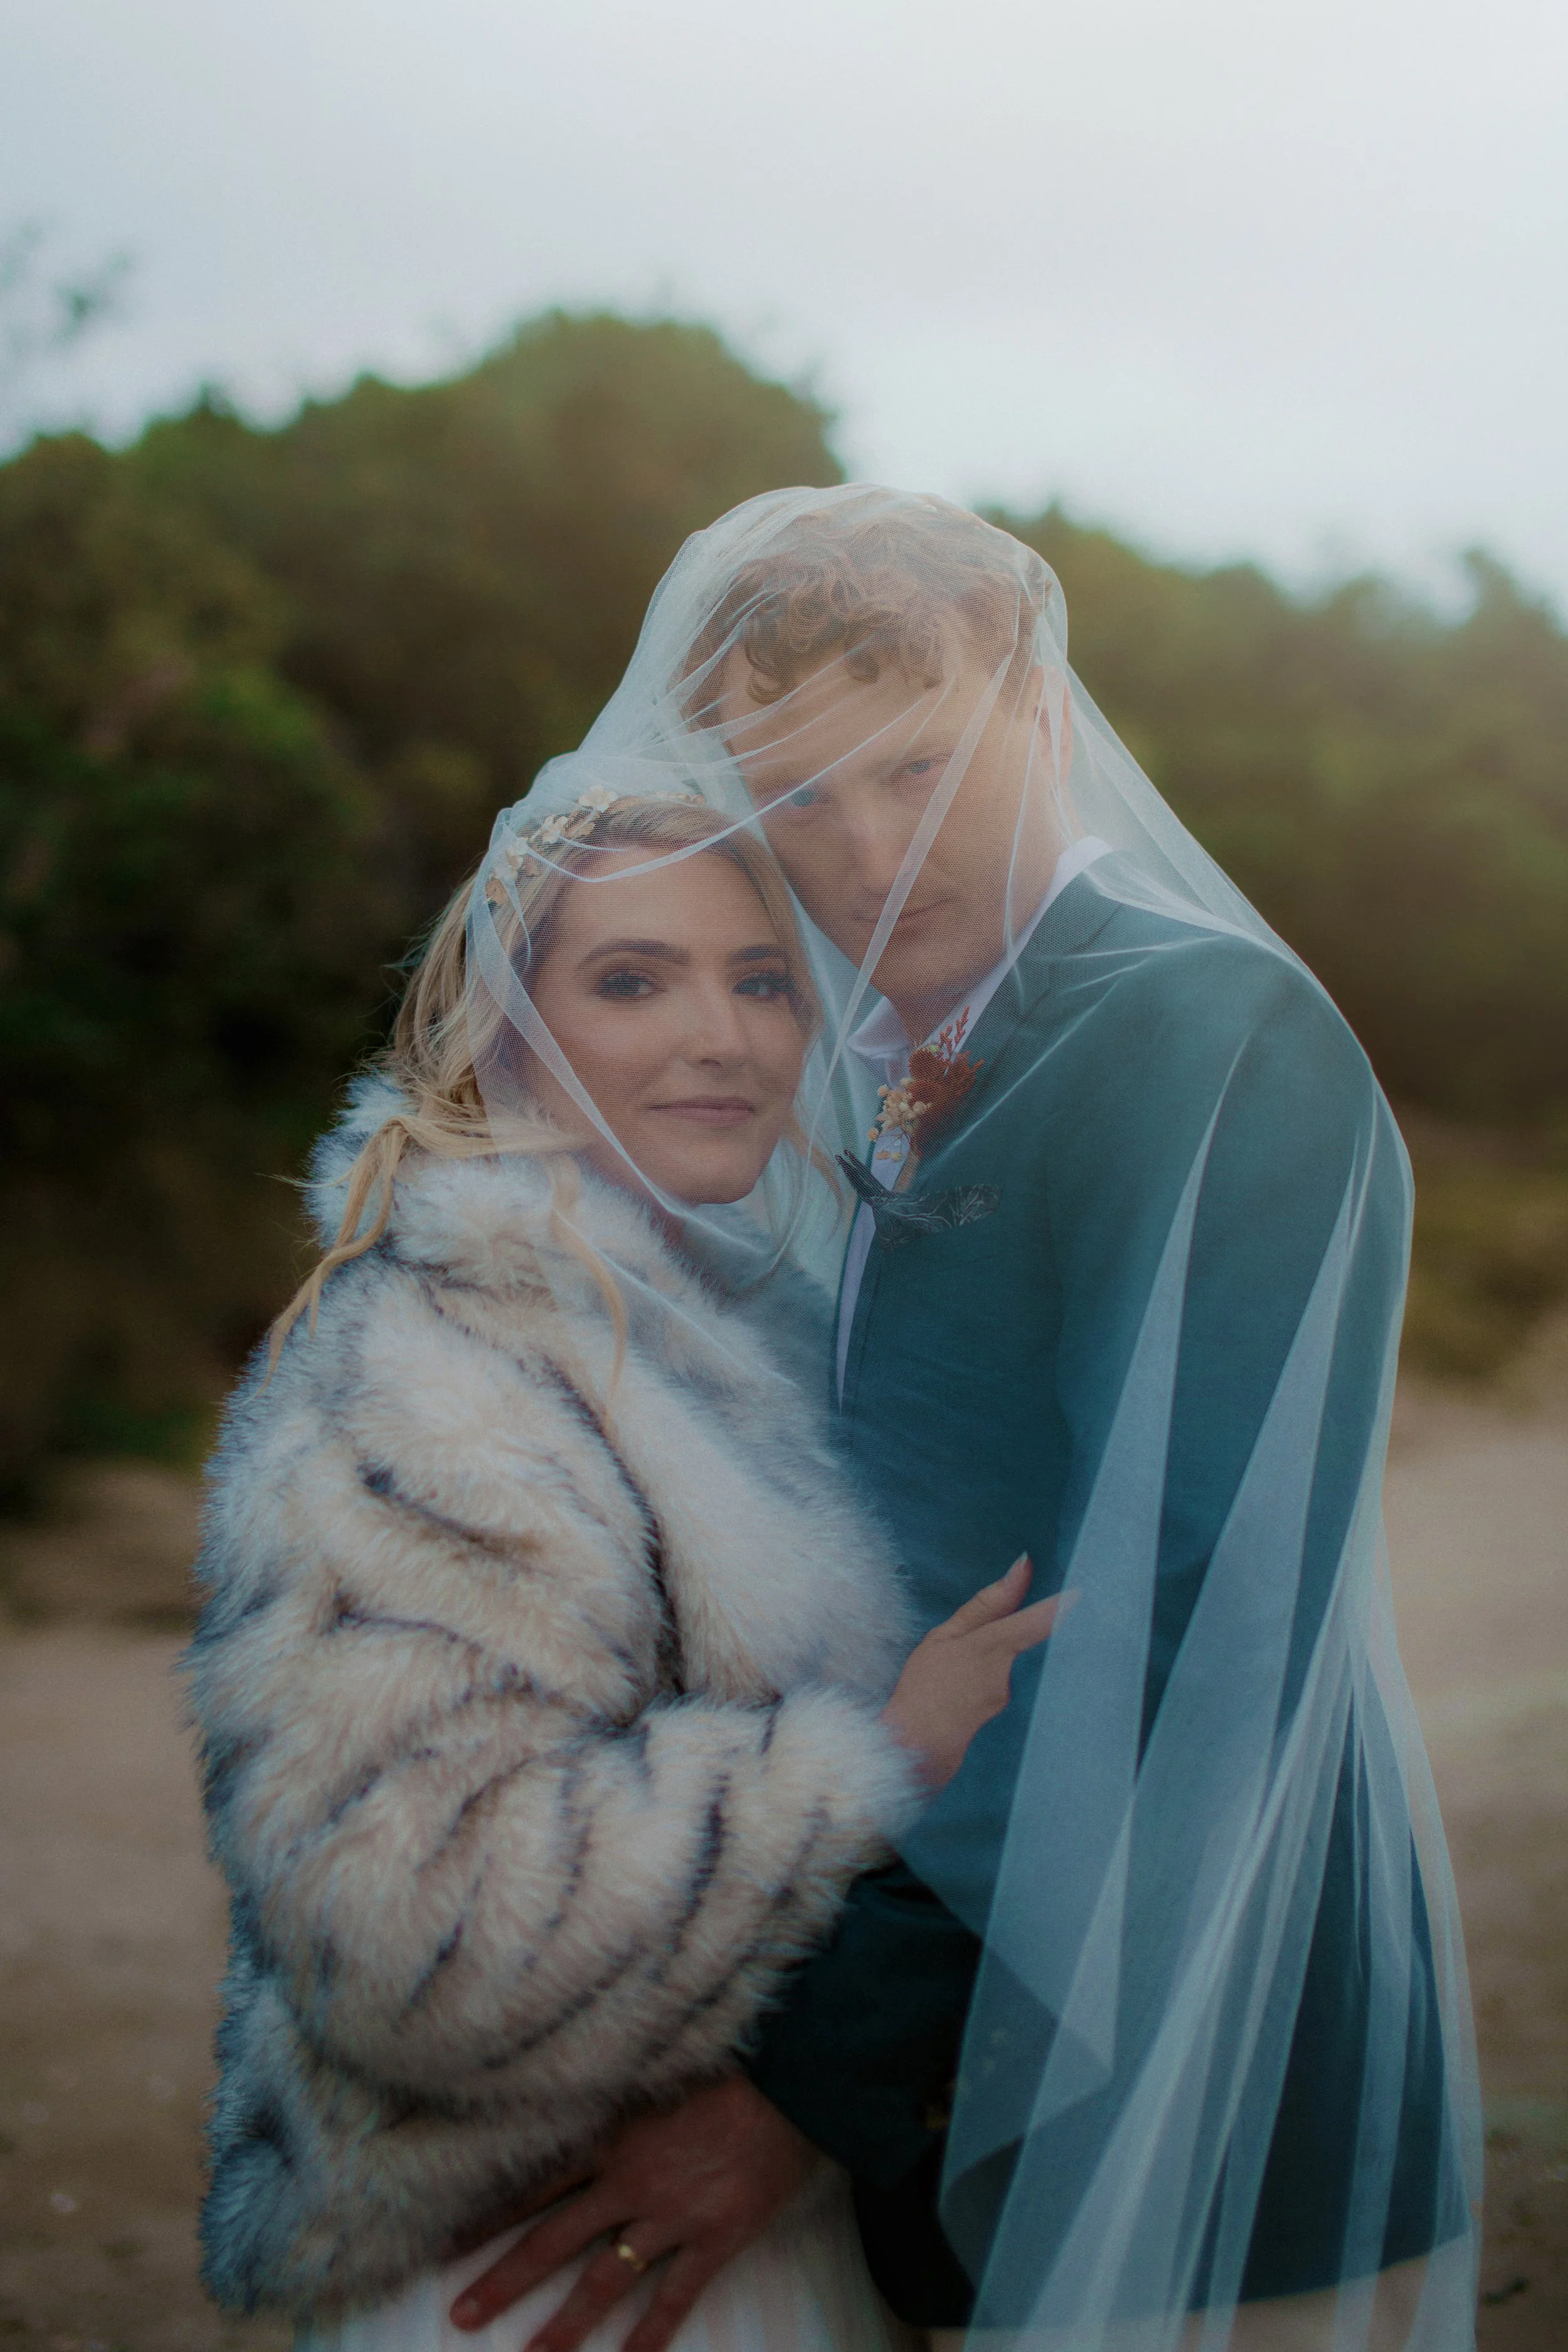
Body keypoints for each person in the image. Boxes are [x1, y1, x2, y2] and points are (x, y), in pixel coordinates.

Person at [449, 490, 1481, 2352]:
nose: (866, 853)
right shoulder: (849, 1056)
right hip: (958, 2060)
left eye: (919, 765)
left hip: (1205, 2052)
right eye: (796, 792)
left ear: (1046, 716)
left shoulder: (1211, 1039)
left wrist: (801, 2087)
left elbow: (1173, 1612)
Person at [186, 793, 1061, 2344]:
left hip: (759, 2237)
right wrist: (873, 1761)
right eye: (632, 980)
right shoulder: (432, 1388)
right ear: (507, 1035)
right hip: (538, 2274)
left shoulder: (744, 1336)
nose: (721, 1038)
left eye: (761, 980)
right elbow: (413, 1937)